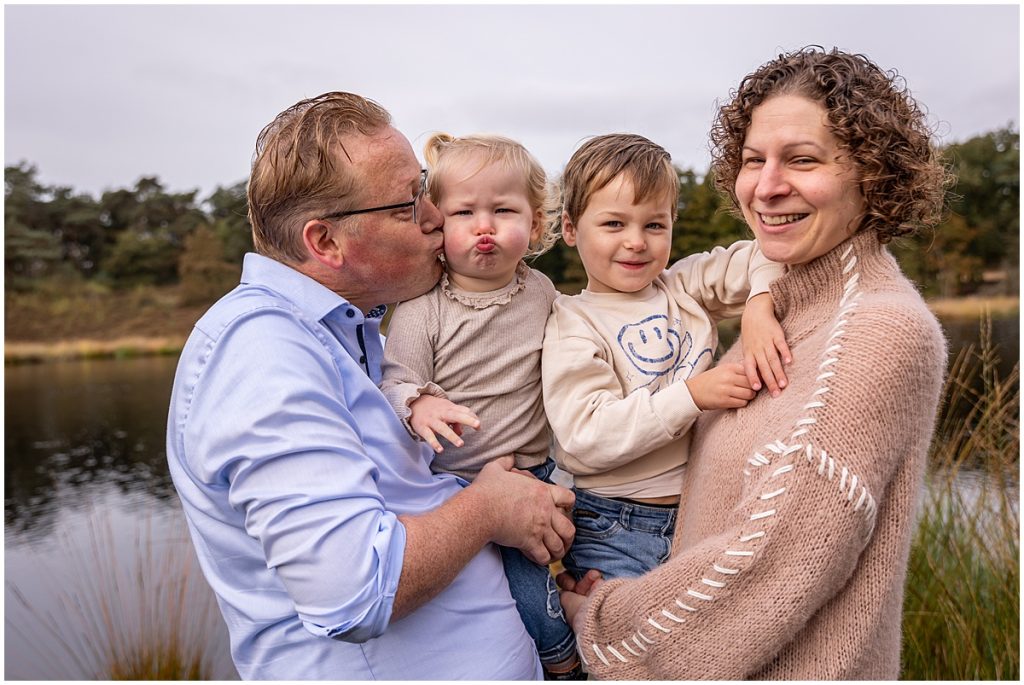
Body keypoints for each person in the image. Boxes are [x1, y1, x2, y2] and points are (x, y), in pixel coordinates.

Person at [558, 47, 950, 680]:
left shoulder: (880, 330)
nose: (767, 186)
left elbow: (773, 557)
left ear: (872, 175)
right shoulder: (789, 303)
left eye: (801, 159)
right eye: (751, 160)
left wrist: (602, 622)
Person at [165, 92, 576, 680]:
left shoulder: (351, 336)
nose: (437, 217)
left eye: (427, 189)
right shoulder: (261, 353)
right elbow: (353, 591)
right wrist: (489, 509)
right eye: (410, 204)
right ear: (324, 242)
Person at [542, 133, 789, 583]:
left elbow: (768, 253)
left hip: (705, 512)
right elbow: (584, 436)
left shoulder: (683, 287)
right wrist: (691, 396)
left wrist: (759, 303)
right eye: (614, 224)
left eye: (654, 225)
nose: (637, 242)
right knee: (624, 647)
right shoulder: (572, 322)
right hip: (613, 527)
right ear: (571, 228)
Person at [378, 133, 581, 679]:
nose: (484, 226)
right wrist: (417, 404)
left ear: (535, 225)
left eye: (503, 210)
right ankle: (563, 662)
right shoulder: (424, 308)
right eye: (464, 212)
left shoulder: (541, 292)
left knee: (574, 556)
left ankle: (603, 621)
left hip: (541, 470)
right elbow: (395, 379)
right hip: (460, 482)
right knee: (522, 589)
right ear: (437, 224)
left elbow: (582, 348)